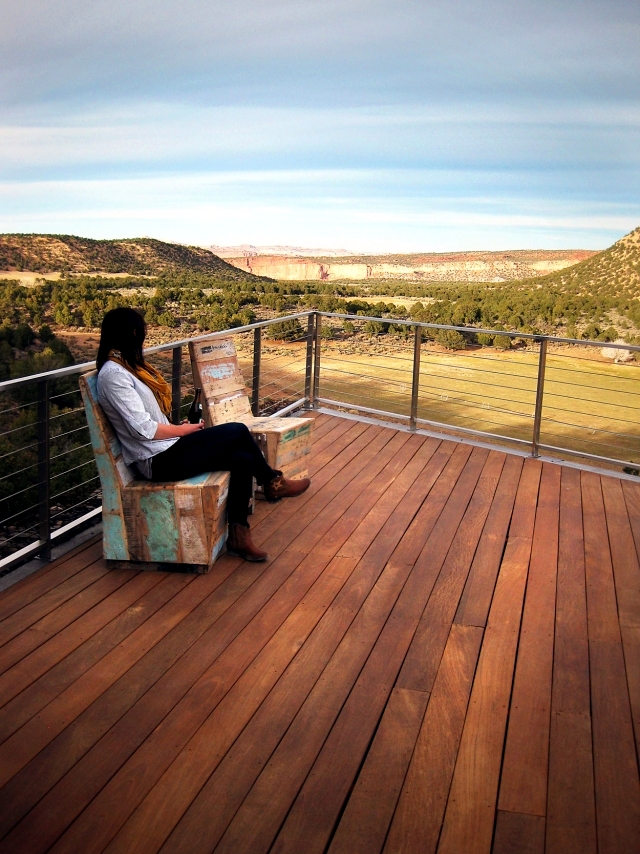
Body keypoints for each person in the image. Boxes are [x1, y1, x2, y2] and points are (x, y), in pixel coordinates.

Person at [95, 307, 310, 562]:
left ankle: (239, 536)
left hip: (167, 448)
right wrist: (184, 430)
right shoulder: (114, 376)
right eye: (141, 330)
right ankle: (272, 482)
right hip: (157, 461)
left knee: (240, 458)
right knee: (238, 431)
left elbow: (146, 421)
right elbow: (143, 429)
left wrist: (178, 426)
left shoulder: (128, 369)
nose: (143, 335)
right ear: (131, 333)